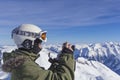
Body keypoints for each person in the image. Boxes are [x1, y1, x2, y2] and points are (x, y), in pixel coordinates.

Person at [2, 24, 75, 80]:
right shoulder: (24, 66)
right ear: (28, 43)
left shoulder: (20, 61)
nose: (41, 46)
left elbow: (44, 77)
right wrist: (67, 55)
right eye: (39, 42)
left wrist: (56, 64)